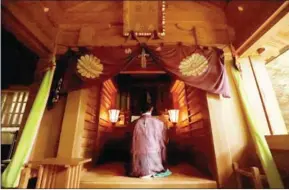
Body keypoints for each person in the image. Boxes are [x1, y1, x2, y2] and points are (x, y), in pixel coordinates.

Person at [129, 104, 170, 178]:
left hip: (138, 159)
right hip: (154, 156)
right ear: (151, 109)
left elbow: (129, 142)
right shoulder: (159, 123)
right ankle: (154, 169)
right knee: (161, 146)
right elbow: (164, 141)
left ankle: (141, 170)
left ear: (140, 110)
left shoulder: (133, 123)